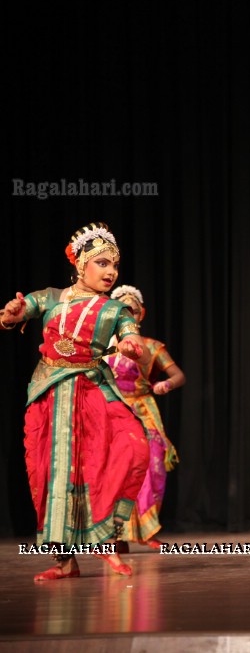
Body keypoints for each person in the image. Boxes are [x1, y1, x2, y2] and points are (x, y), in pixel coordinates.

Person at [0, 222, 150, 580]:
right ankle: (64, 562)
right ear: (81, 264)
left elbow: (133, 340)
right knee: (52, 474)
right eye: (102, 263)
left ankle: (104, 543)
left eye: (114, 265)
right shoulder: (50, 297)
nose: (111, 271)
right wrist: (10, 316)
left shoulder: (116, 311)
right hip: (50, 393)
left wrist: (132, 346)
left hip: (93, 391)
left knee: (130, 450)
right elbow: (21, 311)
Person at [106, 285, 185, 551]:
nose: (129, 315)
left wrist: (167, 385)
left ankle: (148, 530)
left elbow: (178, 375)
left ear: (142, 314)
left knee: (153, 467)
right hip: (112, 412)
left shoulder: (150, 346)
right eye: (123, 312)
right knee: (115, 472)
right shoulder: (103, 348)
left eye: (134, 311)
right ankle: (116, 536)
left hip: (144, 409)